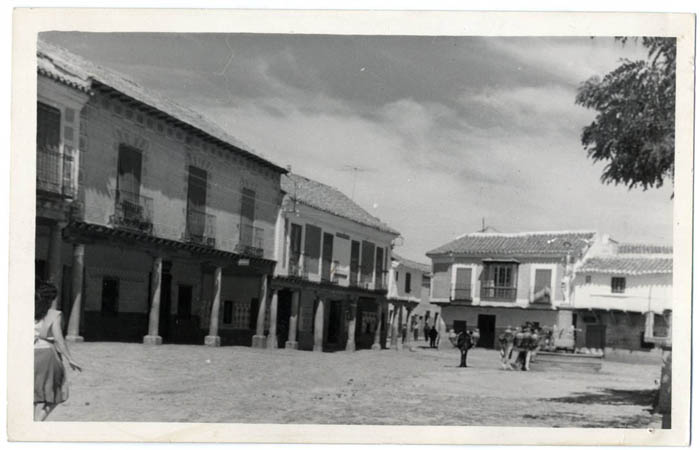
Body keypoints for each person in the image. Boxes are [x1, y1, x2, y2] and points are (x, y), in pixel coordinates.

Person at [34, 281, 82, 421]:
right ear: (53, 298)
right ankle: (38, 421)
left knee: (30, 395)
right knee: (56, 393)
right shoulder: (54, 314)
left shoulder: (27, 311)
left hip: (28, 353)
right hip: (47, 355)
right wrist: (70, 358)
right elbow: (59, 339)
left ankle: (29, 425)